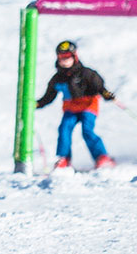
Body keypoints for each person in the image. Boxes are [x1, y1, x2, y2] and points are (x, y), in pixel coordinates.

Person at [35, 40, 116, 170]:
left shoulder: (86, 73)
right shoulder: (57, 78)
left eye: (67, 57)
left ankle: (102, 156)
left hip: (88, 106)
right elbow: (49, 96)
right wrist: (38, 104)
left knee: (87, 130)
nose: (64, 61)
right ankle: (64, 158)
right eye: (61, 57)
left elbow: (99, 86)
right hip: (71, 108)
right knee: (64, 129)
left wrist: (105, 94)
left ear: (74, 56)